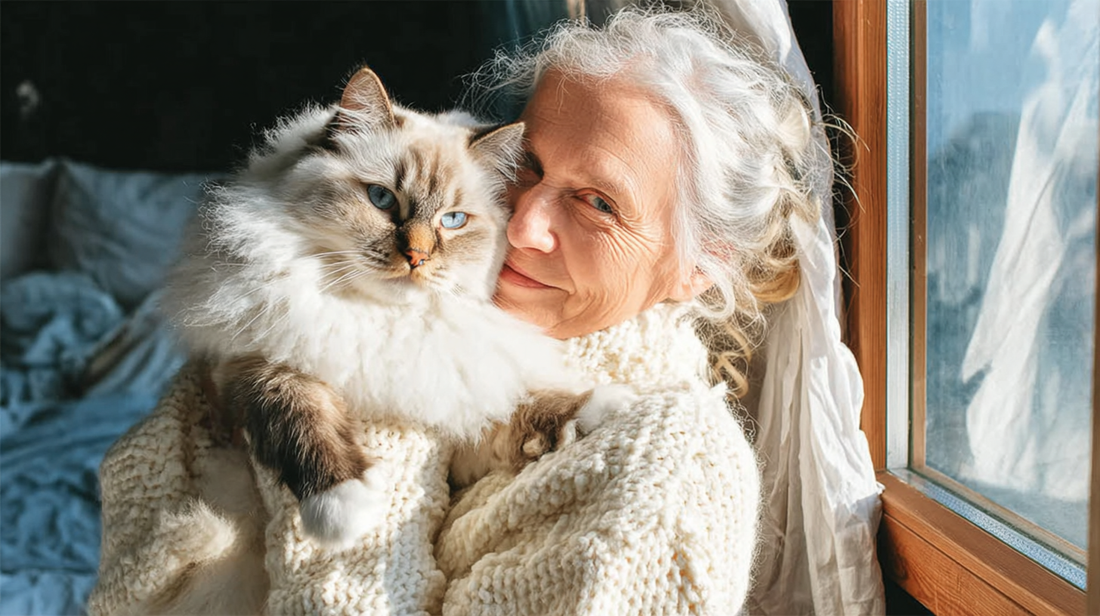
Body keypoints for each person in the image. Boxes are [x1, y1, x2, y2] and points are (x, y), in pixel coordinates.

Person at [90, 6, 874, 615]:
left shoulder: (665, 473)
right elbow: (133, 551)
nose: (524, 225)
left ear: (700, 268)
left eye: (598, 203)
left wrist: (351, 431)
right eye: (524, 170)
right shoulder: (409, 316)